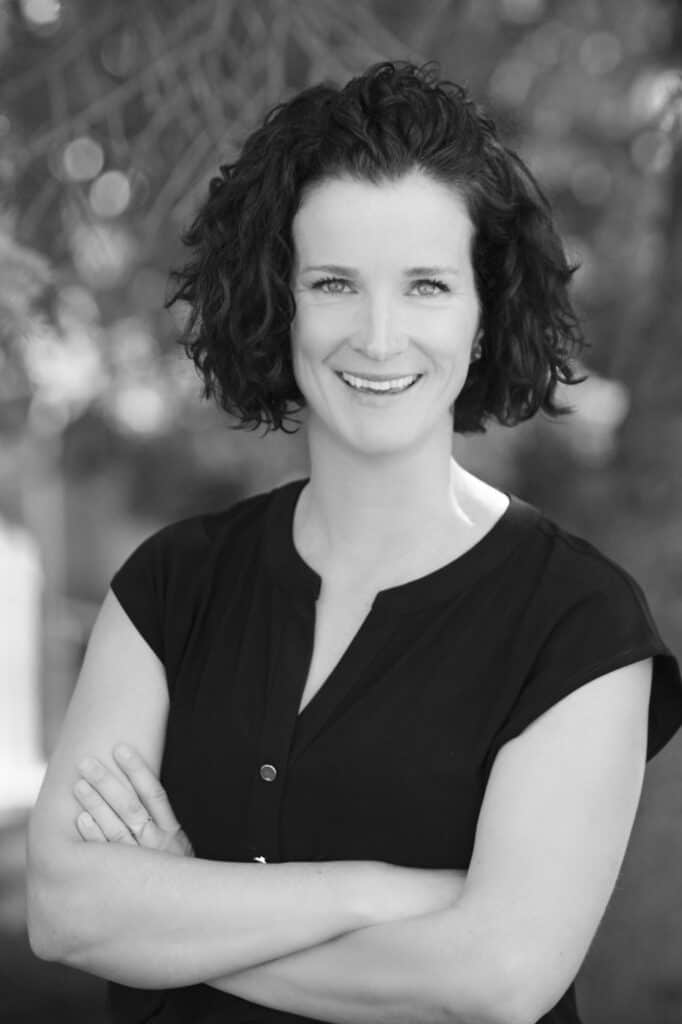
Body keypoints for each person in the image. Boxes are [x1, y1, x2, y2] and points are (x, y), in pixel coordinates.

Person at [26, 60, 682, 1024]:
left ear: (483, 312)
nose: (378, 338)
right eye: (334, 282)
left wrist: (178, 917)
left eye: (425, 285)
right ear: (276, 299)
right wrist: (375, 890)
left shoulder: (578, 624)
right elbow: (65, 910)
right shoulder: (170, 585)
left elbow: (493, 980)